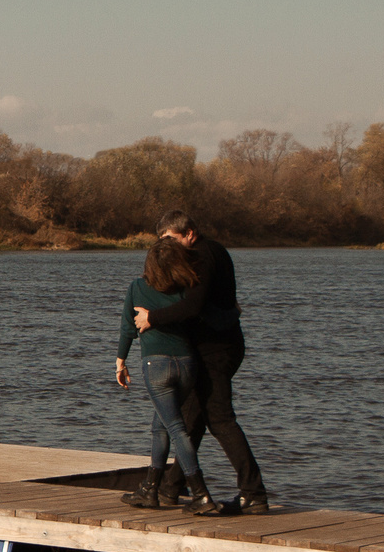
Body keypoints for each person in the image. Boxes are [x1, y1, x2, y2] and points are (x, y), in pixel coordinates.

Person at [130, 210, 273, 513]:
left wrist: (151, 317)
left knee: (219, 419)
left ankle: (253, 493)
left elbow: (193, 305)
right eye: (161, 240)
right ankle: (169, 489)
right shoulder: (210, 252)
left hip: (216, 351)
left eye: (170, 239)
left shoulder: (202, 256)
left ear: (189, 233)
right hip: (216, 346)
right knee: (191, 419)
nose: (165, 246)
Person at [113, 235, 218, 515]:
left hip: (156, 366)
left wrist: (120, 363)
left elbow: (127, 328)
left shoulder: (137, 287)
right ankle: (150, 489)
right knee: (160, 426)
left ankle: (200, 494)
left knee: (175, 428)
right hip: (186, 365)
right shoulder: (186, 290)